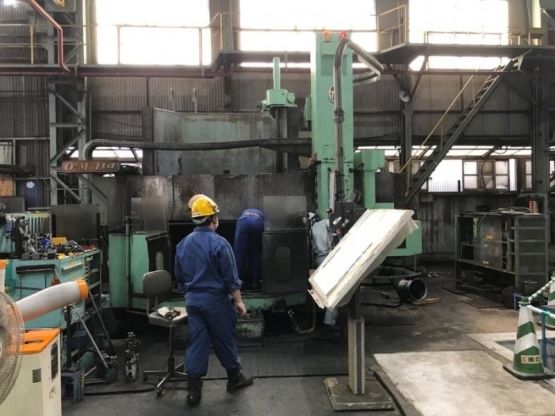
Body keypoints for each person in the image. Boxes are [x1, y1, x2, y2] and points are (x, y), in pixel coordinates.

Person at [175, 195, 253, 407]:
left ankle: (193, 391)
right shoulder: (220, 243)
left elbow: (179, 277)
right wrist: (239, 301)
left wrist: (190, 293)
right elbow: (231, 278)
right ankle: (234, 378)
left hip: (193, 301)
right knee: (224, 339)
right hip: (216, 302)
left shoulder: (183, 244)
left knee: (197, 342)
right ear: (213, 219)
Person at [234, 208, 265, 289]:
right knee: (257, 252)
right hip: (258, 222)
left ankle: (236, 282)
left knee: (239, 253)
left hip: (243, 222)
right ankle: (256, 281)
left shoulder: (243, 214)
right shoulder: (262, 214)